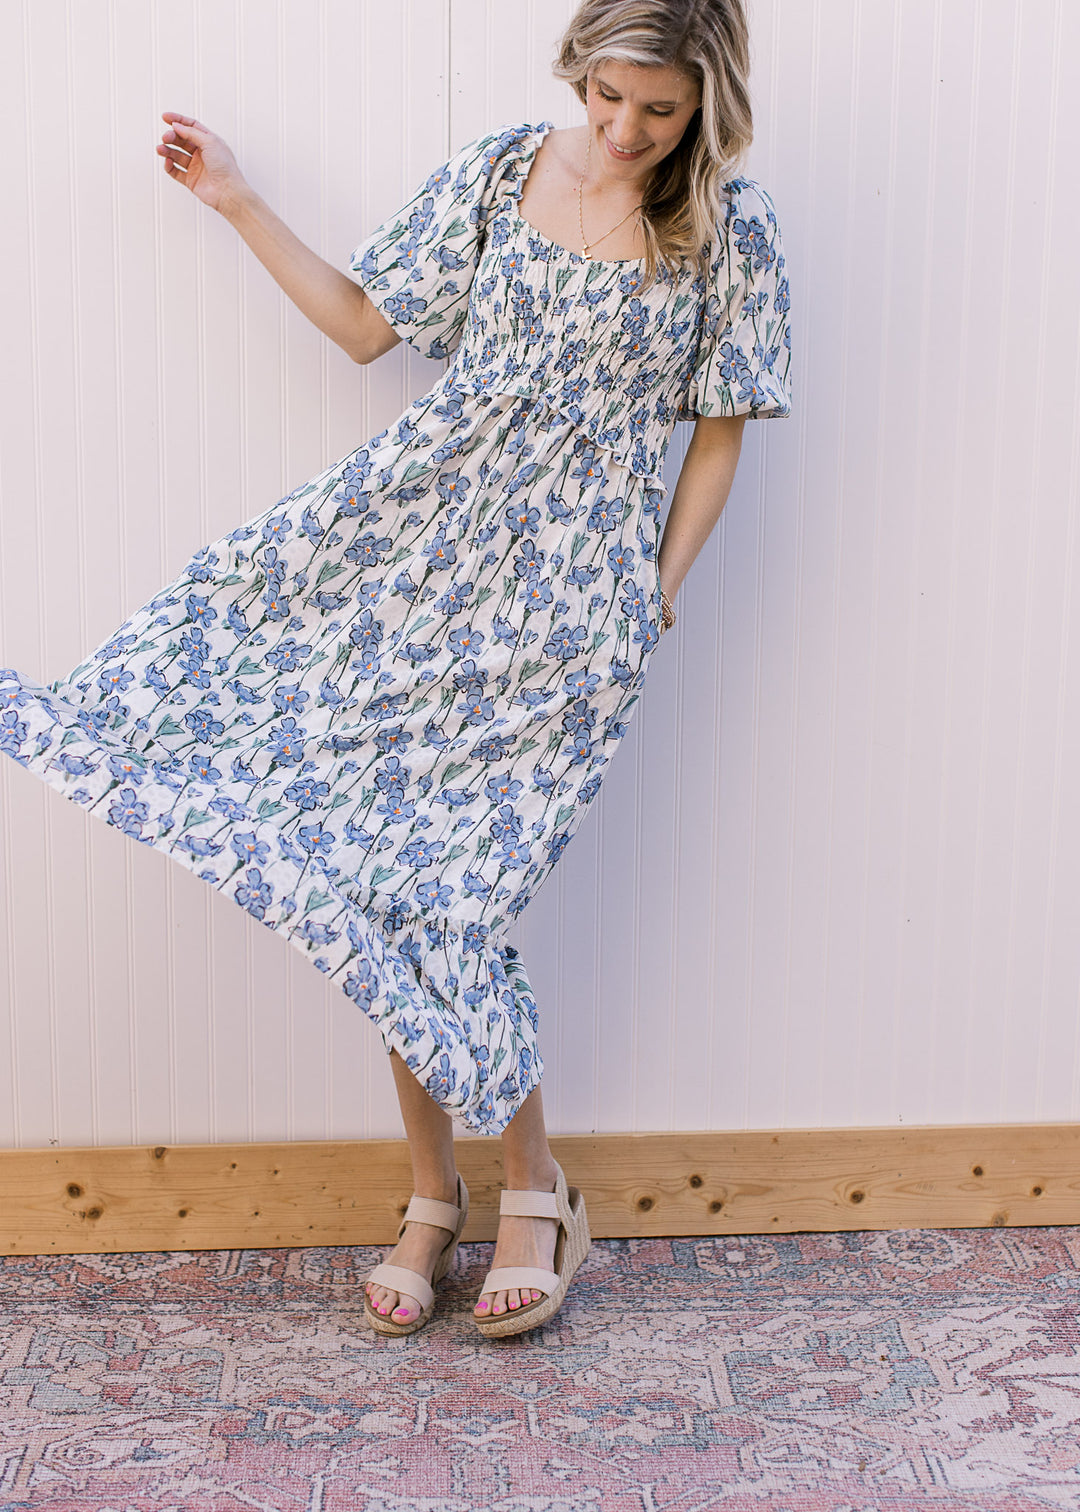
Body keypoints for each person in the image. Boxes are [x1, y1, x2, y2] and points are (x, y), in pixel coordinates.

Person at [0, 0, 790, 1339]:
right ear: (578, 74)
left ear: (706, 104)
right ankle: (435, 1194)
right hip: (401, 562)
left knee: (449, 899)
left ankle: (532, 1189)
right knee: (367, 881)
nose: (622, 131)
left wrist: (652, 597)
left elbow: (720, 431)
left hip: (560, 617)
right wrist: (240, 201)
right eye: (606, 96)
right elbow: (370, 328)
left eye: (657, 112)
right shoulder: (499, 172)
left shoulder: (728, 227)